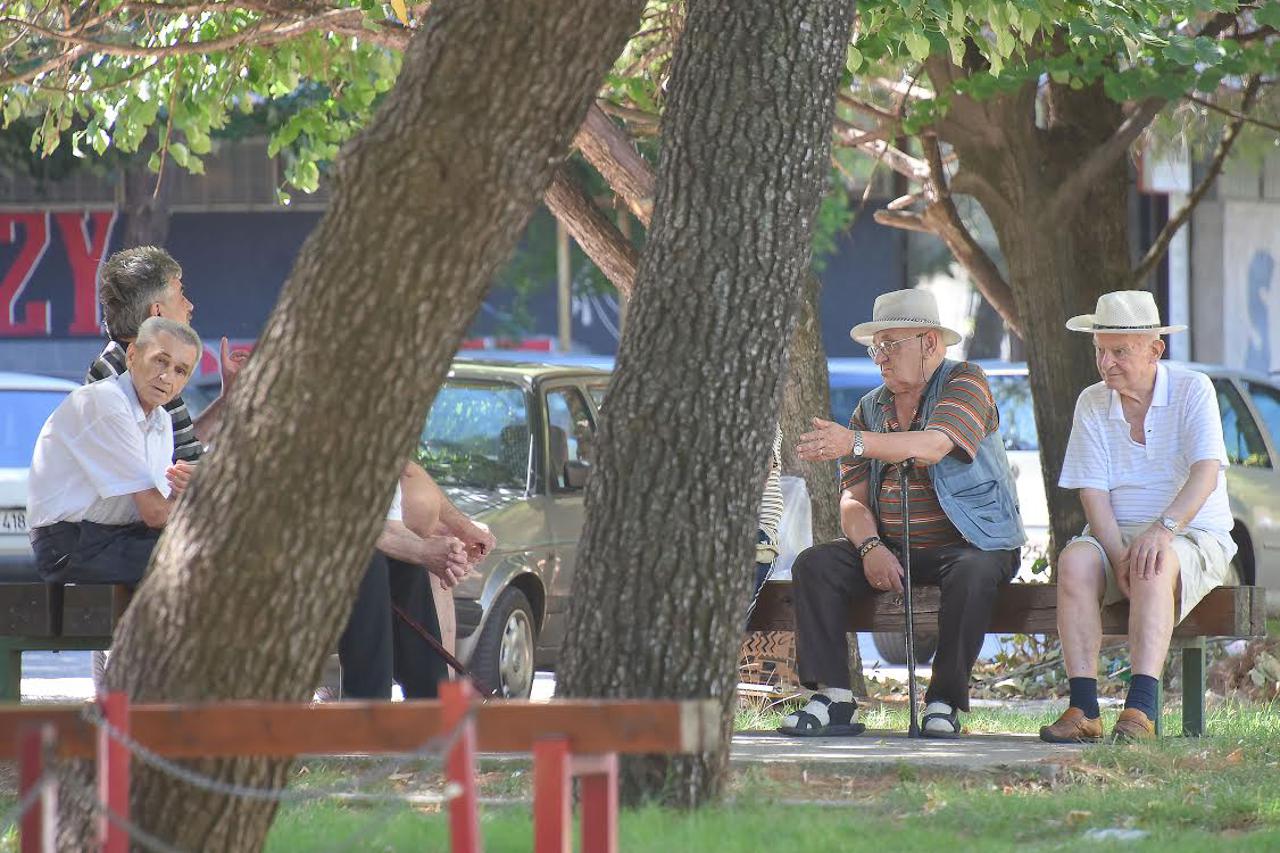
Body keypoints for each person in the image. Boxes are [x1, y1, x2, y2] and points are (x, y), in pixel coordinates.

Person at [779, 289, 1025, 738]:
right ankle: (834, 698)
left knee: (972, 571)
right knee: (815, 564)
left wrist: (853, 442)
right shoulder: (869, 408)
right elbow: (852, 499)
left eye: (891, 344)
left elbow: (932, 445)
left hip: (975, 544)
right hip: (895, 548)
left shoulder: (965, 381)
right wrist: (870, 547)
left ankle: (944, 702)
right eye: (877, 347)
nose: (880, 358)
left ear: (929, 343)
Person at [1040, 291, 1237, 744]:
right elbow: (1093, 492)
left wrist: (1161, 531)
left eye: (1119, 352)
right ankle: (1084, 709)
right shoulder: (1092, 402)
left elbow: (1206, 473)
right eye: (1100, 351)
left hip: (1190, 532)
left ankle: (1139, 711)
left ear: (1155, 349)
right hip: (1118, 536)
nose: (1106, 363)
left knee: (1154, 563)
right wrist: (1118, 555)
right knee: (1075, 561)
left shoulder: (1192, 389)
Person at [27, 317, 202, 584]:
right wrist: (204, 499)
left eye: (180, 371)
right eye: (160, 361)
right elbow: (155, 513)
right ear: (132, 355)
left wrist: (182, 492)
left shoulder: (162, 420)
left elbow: (161, 513)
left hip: (121, 537)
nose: (166, 377)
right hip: (71, 544)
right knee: (204, 556)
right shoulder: (105, 401)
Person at [87, 246, 248, 458]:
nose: (190, 306)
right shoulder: (113, 375)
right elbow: (143, 478)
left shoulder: (154, 369)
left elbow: (179, 453)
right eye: (181, 294)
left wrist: (228, 398)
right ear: (157, 312)